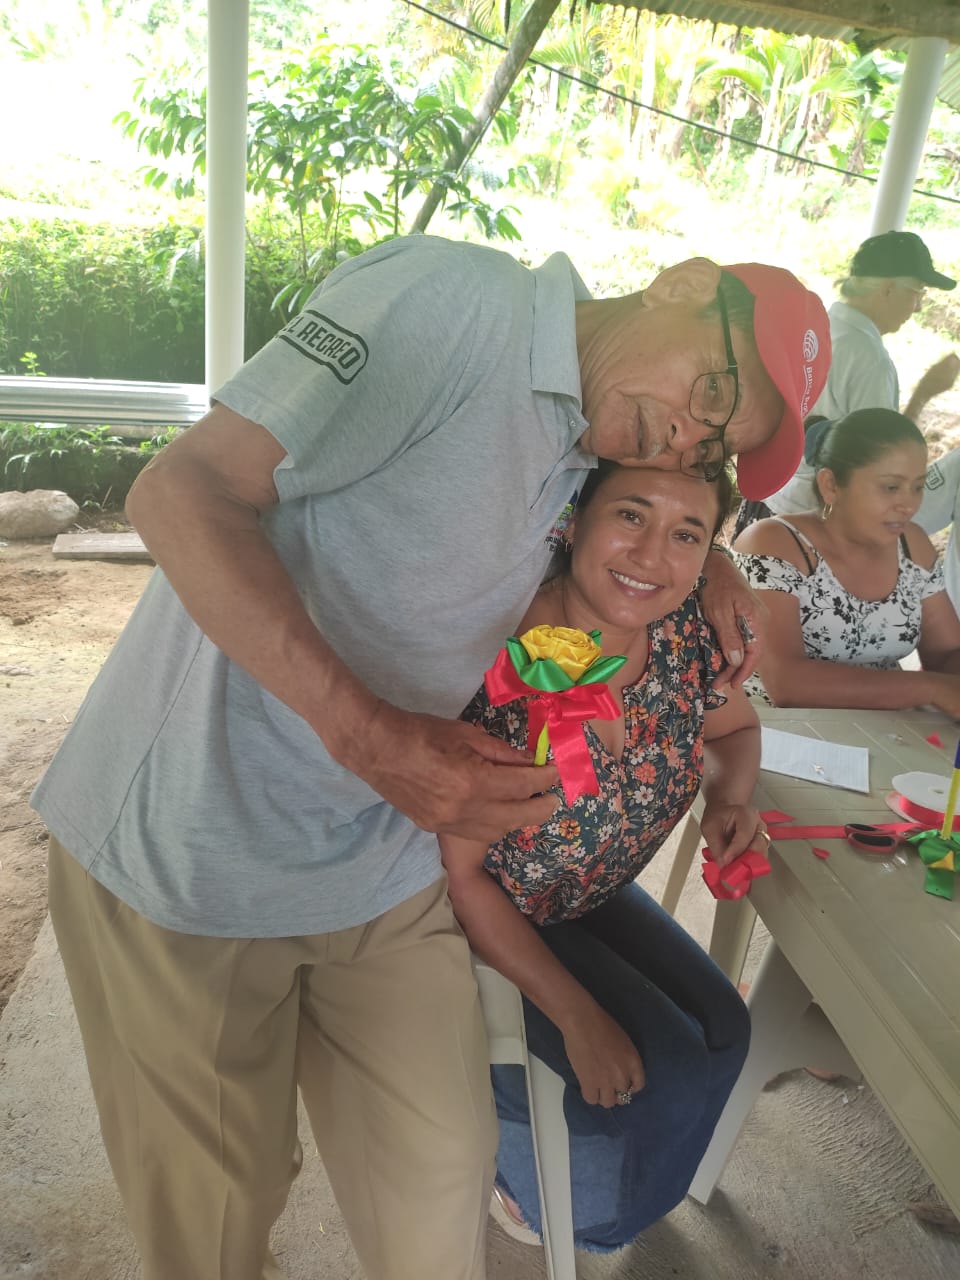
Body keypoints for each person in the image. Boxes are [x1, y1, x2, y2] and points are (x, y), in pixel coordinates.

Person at [30, 232, 829, 1280]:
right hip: (198, 847)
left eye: (712, 443)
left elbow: (633, 520)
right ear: (679, 285)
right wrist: (368, 736)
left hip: (385, 863)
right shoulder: (458, 304)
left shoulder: (597, 426)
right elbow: (179, 494)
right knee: (217, 1211)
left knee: (442, 1178)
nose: (684, 435)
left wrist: (713, 557)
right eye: (710, 390)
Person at [441, 460, 759, 1251]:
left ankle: (630, 1194)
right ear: (574, 521)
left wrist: (730, 800)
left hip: (589, 888)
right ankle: (549, 1200)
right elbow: (461, 875)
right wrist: (575, 1013)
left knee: (728, 1030)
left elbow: (736, 729)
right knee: (665, 1073)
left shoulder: (684, 635)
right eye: (631, 515)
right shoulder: (504, 667)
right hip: (488, 908)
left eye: (686, 534)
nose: (652, 555)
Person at [732, 408, 960, 714]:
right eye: (891, 487)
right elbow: (786, 682)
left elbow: (947, 653)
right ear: (831, 485)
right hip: (784, 732)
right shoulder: (775, 543)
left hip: (890, 732)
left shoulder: (912, 546)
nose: (908, 505)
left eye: (917, 487)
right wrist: (931, 689)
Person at [763, 229, 959, 520]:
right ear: (888, 289)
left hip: (773, 494)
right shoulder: (869, 360)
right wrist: (924, 392)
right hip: (810, 519)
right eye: (918, 292)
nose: (918, 307)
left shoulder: (819, 326)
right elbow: (882, 461)